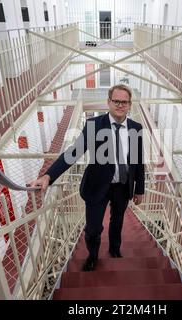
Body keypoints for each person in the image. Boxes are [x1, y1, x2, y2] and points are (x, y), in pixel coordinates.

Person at [30, 84, 145, 272]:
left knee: (118, 221)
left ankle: (115, 249)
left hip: (123, 187)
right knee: (93, 228)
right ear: (108, 102)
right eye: (116, 101)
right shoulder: (94, 125)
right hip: (97, 186)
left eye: (124, 102)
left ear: (129, 105)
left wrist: (139, 189)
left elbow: (139, 161)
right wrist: (48, 176)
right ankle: (92, 256)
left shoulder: (136, 128)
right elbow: (73, 152)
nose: (120, 105)